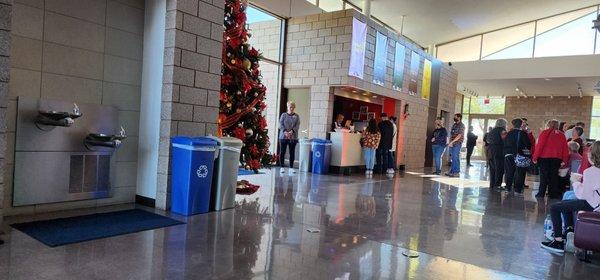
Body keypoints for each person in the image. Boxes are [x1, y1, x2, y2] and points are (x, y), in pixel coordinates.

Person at [541, 141, 600, 254]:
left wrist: (575, 182)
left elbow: (584, 196)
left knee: (555, 208)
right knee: (567, 203)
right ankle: (569, 231)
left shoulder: (591, 171)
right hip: (596, 202)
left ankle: (558, 241)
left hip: (594, 205)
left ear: (593, 155)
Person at [533, 120, 569, 199]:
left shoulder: (544, 132)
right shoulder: (562, 135)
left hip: (544, 158)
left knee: (543, 177)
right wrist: (564, 160)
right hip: (556, 158)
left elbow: (540, 146)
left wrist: (535, 157)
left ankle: (541, 194)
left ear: (549, 125)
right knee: (554, 177)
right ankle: (552, 194)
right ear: (558, 125)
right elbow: (565, 149)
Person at [500, 118, 531, 195]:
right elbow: (528, 145)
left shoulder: (508, 133)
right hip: (519, 155)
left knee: (509, 171)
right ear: (521, 124)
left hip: (508, 155)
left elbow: (504, 143)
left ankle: (508, 187)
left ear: (513, 125)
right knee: (520, 172)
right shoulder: (523, 133)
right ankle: (518, 190)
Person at [278, 101, 300, 174]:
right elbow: (280, 124)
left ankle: (291, 167)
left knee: (292, 152)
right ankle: (282, 167)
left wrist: (291, 132)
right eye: (290, 107)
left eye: (292, 107)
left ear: (294, 108)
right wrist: (285, 132)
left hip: (293, 137)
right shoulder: (283, 115)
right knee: (282, 152)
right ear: (287, 107)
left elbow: (297, 125)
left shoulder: (297, 116)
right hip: (283, 136)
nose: (291, 108)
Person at [487, 119, 507, 189]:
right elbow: (505, 141)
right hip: (499, 152)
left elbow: (488, 140)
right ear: (504, 124)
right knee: (499, 169)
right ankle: (497, 185)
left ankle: (492, 184)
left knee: (492, 169)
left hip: (491, 152)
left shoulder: (492, 131)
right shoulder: (503, 131)